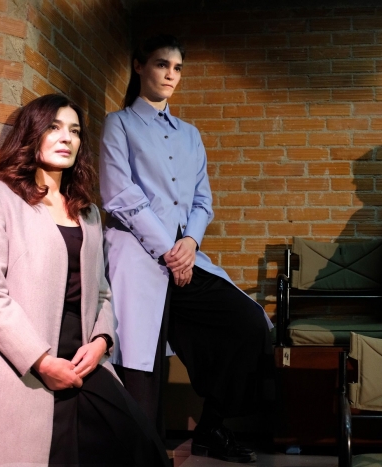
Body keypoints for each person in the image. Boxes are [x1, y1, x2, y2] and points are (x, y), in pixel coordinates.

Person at [0, 94, 170, 467]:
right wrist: (42, 361)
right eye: (54, 127)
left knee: (143, 444)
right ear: (32, 134)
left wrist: (101, 342)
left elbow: (102, 292)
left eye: (75, 131)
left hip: (83, 359)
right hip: (22, 361)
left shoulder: (88, 213)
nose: (67, 138)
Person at [99, 35, 273, 464]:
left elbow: (202, 201)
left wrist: (190, 244)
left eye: (177, 68)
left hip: (185, 258)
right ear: (139, 66)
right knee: (141, 363)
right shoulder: (118, 124)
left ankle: (212, 427)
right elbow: (120, 194)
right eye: (162, 64)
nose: (170, 75)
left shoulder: (191, 135)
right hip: (138, 258)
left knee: (249, 323)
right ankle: (142, 454)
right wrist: (168, 251)